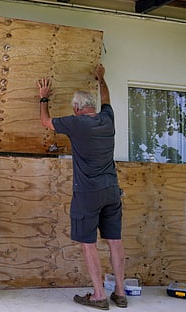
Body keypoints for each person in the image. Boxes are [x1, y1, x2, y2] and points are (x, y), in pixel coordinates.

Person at [37, 64, 126, 310]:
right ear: (92, 106)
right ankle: (120, 292)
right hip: (112, 189)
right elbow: (106, 98)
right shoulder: (107, 118)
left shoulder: (76, 124)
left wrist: (43, 97)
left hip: (88, 193)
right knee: (114, 241)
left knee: (88, 243)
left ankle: (99, 295)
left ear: (76, 108)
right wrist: (101, 79)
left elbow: (45, 122)